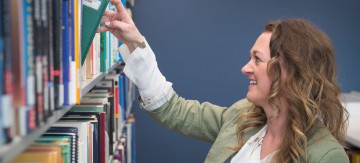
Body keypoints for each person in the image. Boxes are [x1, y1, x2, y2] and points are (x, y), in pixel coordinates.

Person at [97, 0, 350, 162]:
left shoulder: (326, 156)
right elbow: (174, 111)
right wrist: (134, 41)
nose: (245, 68)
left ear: (289, 70)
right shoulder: (243, 116)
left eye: (257, 60)